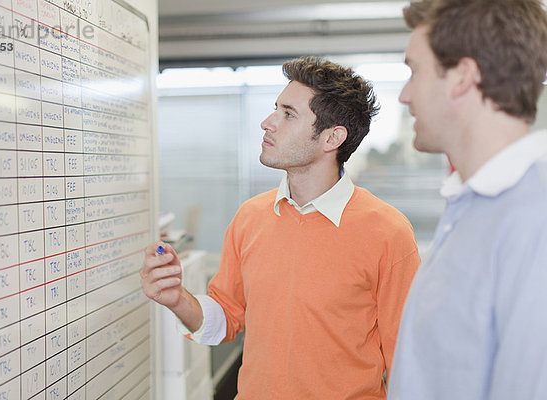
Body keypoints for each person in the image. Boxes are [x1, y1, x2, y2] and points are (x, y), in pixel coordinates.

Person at [142, 56, 420, 399]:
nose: (267, 122)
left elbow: (409, 363)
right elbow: (227, 318)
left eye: (288, 114)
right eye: (276, 108)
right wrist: (177, 299)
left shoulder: (388, 232)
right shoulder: (250, 217)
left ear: (332, 138)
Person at [388, 1, 547, 399]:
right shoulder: (474, 206)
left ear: (462, 77)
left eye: (414, 71)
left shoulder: (535, 218)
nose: (405, 96)